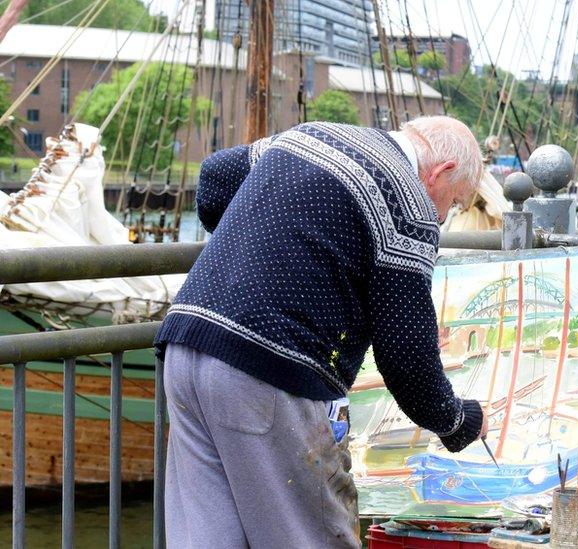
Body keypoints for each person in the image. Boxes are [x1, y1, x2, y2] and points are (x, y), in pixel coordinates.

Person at [154, 116, 489, 547]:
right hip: (269, 368)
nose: (444, 216)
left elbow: (216, 177)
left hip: (188, 342)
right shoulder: (409, 205)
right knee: (312, 536)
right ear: (439, 173)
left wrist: (266, 251)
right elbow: (407, 356)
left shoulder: (317, 133)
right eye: (455, 202)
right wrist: (458, 422)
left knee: (206, 538)